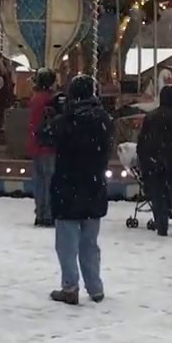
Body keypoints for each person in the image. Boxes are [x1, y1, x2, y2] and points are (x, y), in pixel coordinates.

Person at [41, 74, 112, 305]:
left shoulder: (67, 121)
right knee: (90, 243)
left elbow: (45, 136)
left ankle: (70, 286)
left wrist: (55, 113)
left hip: (68, 188)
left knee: (67, 244)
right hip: (94, 186)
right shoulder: (103, 120)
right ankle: (95, 286)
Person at [136, 84, 172, 236]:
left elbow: (142, 141)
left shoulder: (151, 117)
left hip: (155, 162)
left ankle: (162, 225)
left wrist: (144, 160)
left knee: (158, 195)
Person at [26, 68, 58, 227]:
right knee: (50, 180)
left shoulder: (35, 99)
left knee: (39, 180)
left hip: (36, 143)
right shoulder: (51, 100)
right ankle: (48, 213)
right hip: (49, 145)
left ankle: (39, 211)